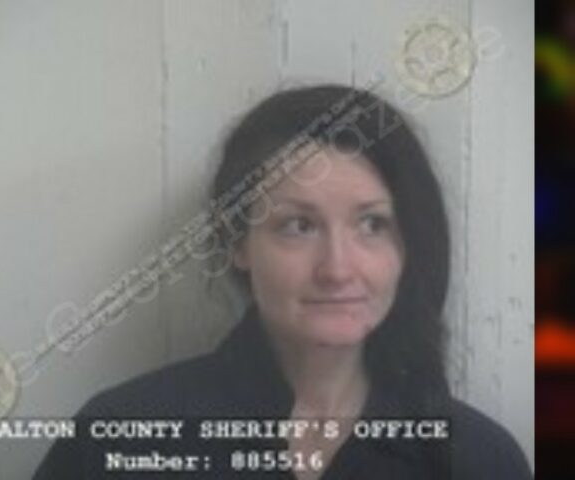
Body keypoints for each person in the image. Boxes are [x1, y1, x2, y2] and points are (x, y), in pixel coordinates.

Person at [33, 85, 532, 479]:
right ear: (238, 242)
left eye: (372, 224)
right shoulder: (118, 439)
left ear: (409, 245)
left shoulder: (479, 460)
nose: (337, 269)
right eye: (298, 226)